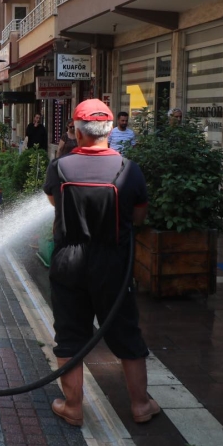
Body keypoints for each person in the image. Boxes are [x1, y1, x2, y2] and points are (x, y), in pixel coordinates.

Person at [43, 98, 160, 428]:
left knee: (69, 335)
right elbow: (138, 215)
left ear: (78, 133)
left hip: (69, 261)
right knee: (125, 332)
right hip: (113, 263)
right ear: (110, 131)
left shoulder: (61, 167)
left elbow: (55, 202)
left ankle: (72, 406)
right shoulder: (129, 169)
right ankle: (140, 405)